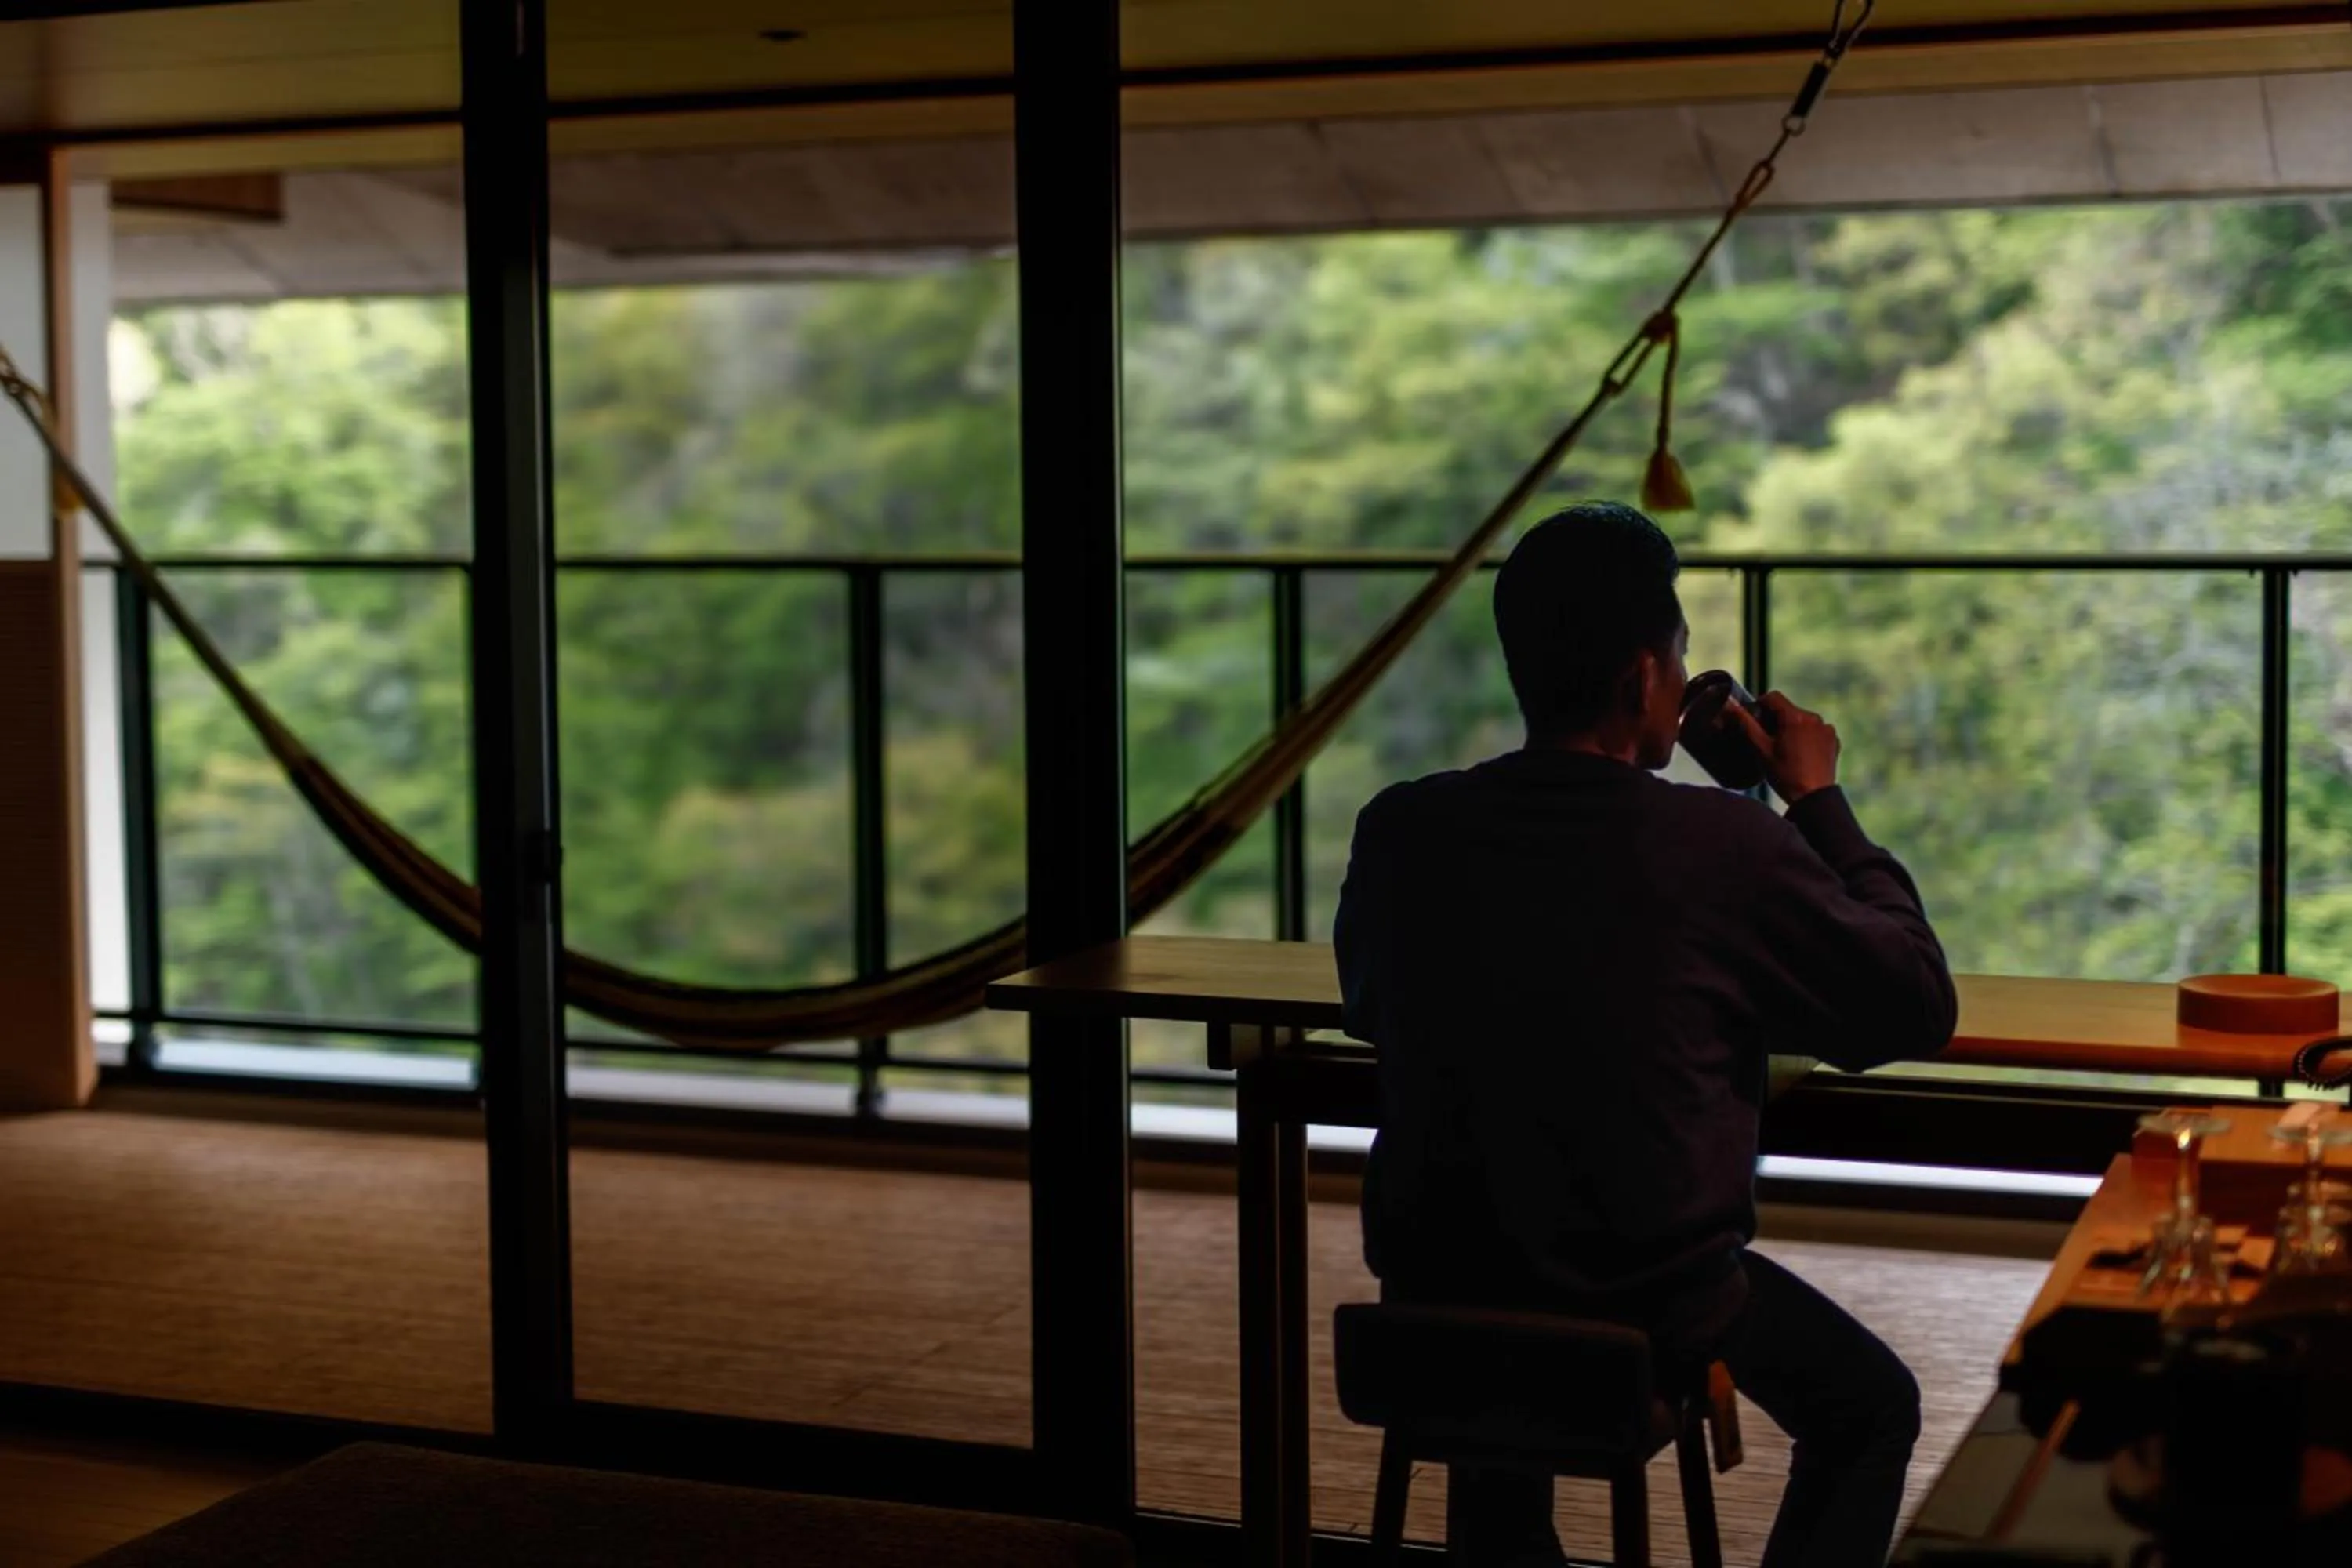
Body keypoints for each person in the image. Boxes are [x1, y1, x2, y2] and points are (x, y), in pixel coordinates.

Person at [1333, 501, 1957, 1568]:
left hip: (1433, 1307)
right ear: (1642, 679)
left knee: (1500, 1312)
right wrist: (1815, 798)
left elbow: (1365, 1005)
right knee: (1870, 1410)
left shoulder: (1402, 828)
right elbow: (1911, 1001)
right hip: (1647, 1313)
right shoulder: (1721, 844)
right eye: (1677, 662)